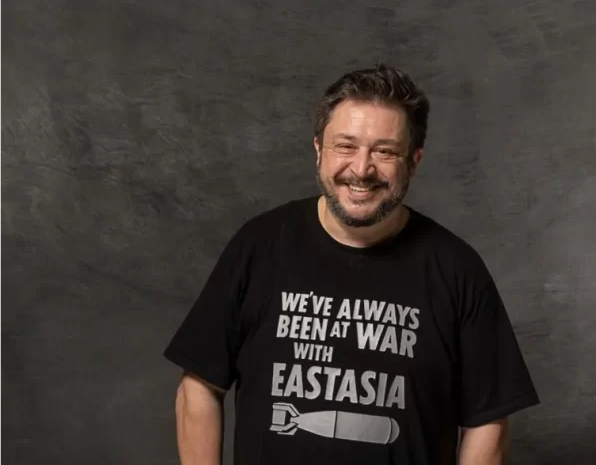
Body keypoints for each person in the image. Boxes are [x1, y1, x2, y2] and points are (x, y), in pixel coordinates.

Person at [163, 64, 540, 465]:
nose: (361, 170)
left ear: (414, 160)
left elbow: (488, 423)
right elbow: (199, 387)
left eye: (385, 151)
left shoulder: (457, 270)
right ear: (318, 150)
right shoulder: (259, 246)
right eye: (345, 146)